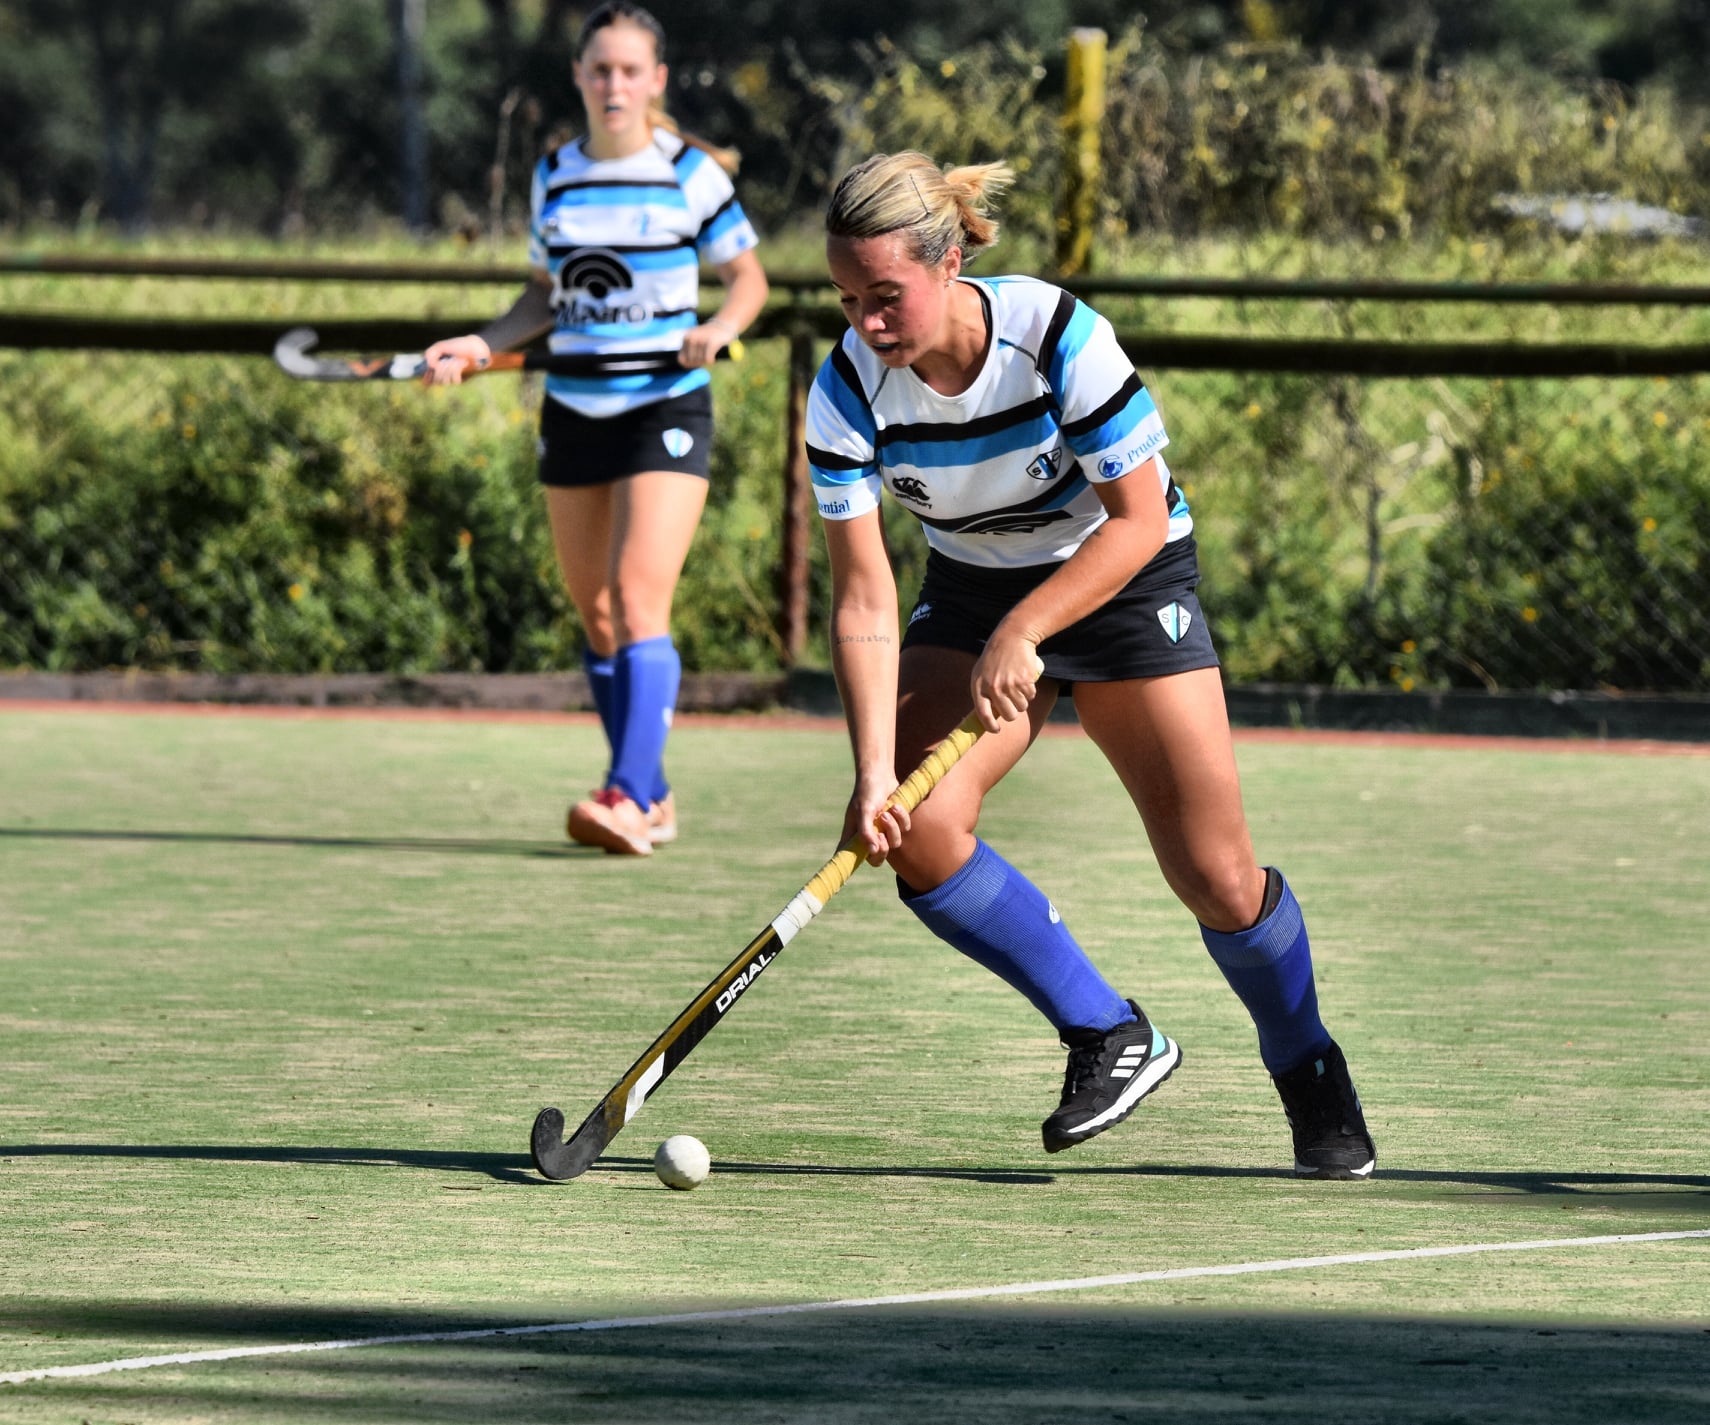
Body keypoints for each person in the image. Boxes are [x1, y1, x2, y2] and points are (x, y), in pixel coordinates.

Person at [805, 151, 1376, 1178]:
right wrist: (870, 772)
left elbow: (1140, 518)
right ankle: (1107, 1033)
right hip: (975, 590)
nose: (867, 325)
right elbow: (862, 594)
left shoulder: (1055, 334)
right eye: (847, 298)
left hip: (1124, 579)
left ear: (949, 260)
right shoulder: (846, 388)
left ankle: (1306, 1060)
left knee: (1215, 875)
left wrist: (1028, 631)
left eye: (885, 296)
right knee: (919, 832)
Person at [422, 1, 768, 857]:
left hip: (665, 405)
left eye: (629, 70)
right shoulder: (556, 174)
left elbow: (748, 279)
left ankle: (621, 791)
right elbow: (542, 295)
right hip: (574, 406)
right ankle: (648, 794)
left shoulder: (691, 173)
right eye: (599, 69)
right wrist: (481, 342)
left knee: (642, 596)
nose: (614, 84)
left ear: (655, 80)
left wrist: (720, 328)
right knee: (598, 610)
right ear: (579, 78)